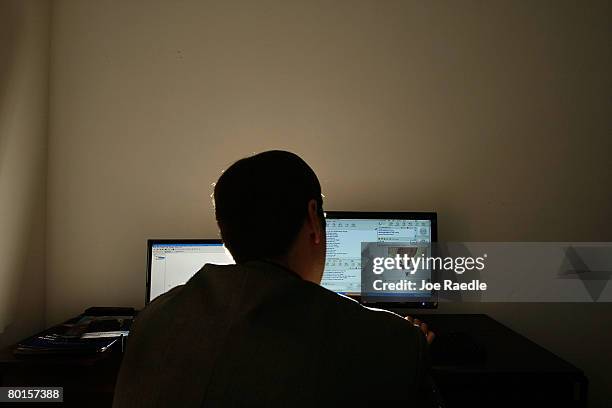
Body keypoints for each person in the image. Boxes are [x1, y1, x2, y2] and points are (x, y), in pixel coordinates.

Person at [113, 150, 434, 407]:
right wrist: (403, 336)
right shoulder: (390, 342)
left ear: (225, 233)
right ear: (313, 218)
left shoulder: (151, 319)